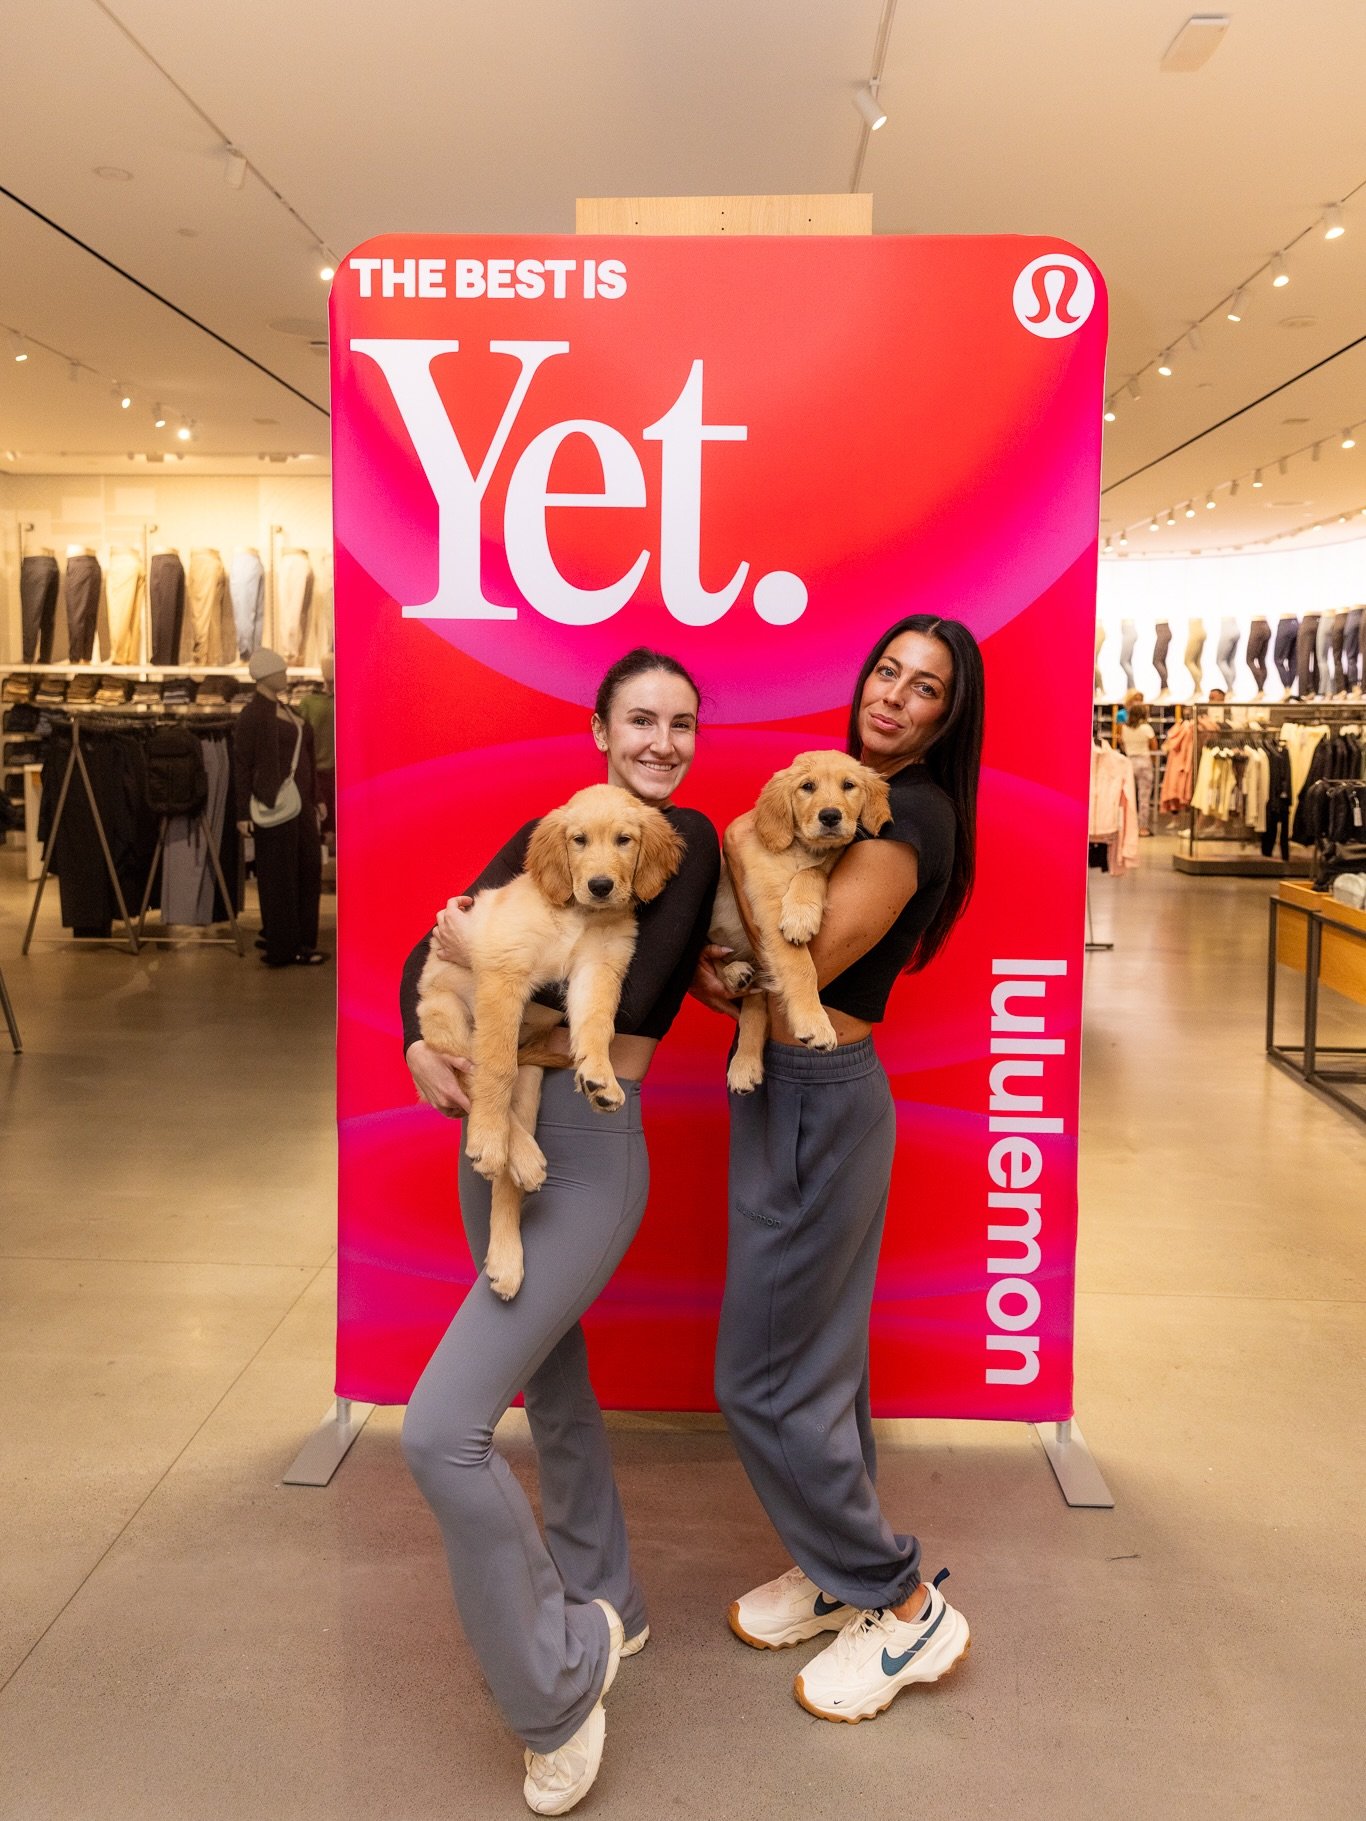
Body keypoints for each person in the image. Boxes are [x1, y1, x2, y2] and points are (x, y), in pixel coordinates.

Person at [397, 649, 719, 1817]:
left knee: (440, 1435)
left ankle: (557, 1684)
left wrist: (481, 992)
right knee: (556, 1393)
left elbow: (615, 1010)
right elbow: (423, 955)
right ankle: (610, 1606)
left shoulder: (679, 851)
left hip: (584, 1156)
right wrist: (416, 1043)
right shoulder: (552, 829)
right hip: (493, 1142)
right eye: (641, 719)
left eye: (682, 723)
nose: (662, 742)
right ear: (599, 726)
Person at [696, 613, 983, 1726]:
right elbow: (754, 965)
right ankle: (831, 1569)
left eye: (923, 689)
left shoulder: (906, 814)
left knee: (762, 1377)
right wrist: (735, 983)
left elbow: (806, 960)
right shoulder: (842, 796)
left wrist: (727, 977)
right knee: (822, 1365)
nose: (893, 696)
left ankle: (900, 1602)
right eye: (885, 672)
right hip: (795, 1096)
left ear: (946, 719)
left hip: (820, 1100)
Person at [232, 648, 327, 966]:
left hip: (301, 805)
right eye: (280, 671)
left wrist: (317, 798)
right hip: (273, 804)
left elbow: (307, 759)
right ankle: (283, 945)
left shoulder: (285, 710)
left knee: (308, 869)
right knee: (279, 875)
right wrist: (242, 812)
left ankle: (300, 939)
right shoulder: (253, 716)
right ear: (265, 675)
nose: (285, 676)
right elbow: (242, 764)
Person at [1119, 700, 1157, 834]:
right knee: (1144, 797)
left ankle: (1128, 826)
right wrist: (1153, 762)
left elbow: (1122, 744)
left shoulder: (1123, 728)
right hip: (1144, 762)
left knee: (1129, 796)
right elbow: (1154, 746)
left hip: (1129, 763)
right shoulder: (1146, 728)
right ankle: (1142, 827)